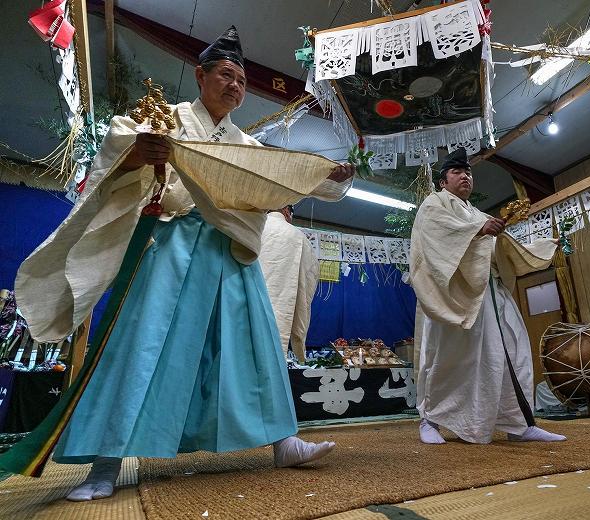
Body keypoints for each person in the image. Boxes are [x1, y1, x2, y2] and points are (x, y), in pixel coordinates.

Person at [8, 27, 354, 501]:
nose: (235, 86)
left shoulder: (245, 147)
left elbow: (280, 180)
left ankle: (284, 441)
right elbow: (116, 153)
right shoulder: (167, 120)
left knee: (255, 345)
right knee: (141, 345)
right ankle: (106, 463)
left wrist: (326, 176)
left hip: (229, 250)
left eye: (241, 80)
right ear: (201, 75)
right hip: (171, 246)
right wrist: (135, 157)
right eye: (226, 75)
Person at [410, 148, 566, 445]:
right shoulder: (434, 204)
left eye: (468, 172)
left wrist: (543, 246)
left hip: (491, 293)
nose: (465, 176)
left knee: (509, 355)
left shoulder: (478, 214)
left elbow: (500, 249)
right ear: (443, 182)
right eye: (457, 172)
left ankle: (519, 424)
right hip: (455, 297)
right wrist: (478, 230)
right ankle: (430, 420)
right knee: (449, 358)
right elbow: (436, 238)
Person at [258, 205, 319, 362]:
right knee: (270, 364)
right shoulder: (298, 237)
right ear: (286, 210)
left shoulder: (252, 227)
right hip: (278, 321)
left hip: (239, 312)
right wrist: (299, 343)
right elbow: (306, 288)